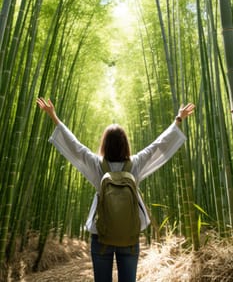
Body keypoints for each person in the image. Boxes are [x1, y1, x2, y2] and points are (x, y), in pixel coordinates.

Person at [36, 97, 195, 282]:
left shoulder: (96, 164)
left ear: (104, 144)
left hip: (101, 235)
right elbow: (159, 145)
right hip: (129, 235)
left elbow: (75, 146)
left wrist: (54, 116)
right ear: (125, 143)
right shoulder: (136, 163)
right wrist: (178, 119)